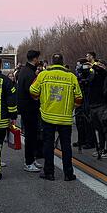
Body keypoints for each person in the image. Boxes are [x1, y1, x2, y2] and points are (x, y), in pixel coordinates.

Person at [29, 53, 83, 182]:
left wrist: (40, 100)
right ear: (63, 62)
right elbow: (79, 97)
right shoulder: (71, 76)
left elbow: (33, 90)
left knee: (48, 144)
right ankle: (68, 174)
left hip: (47, 116)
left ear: (52, 62)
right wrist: (71, 107)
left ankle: (49, 173)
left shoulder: (43, 75)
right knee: (66, 145)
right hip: (65, 117)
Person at [16, 49, 43, 172]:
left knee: (32, 135)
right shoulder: (29, 73)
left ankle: (32, 159)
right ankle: (29, 162)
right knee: (31, 136)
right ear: (35, 59)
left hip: (27, 108)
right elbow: (33, 92)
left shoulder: (24, 71)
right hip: (30, 109)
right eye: (38, 58)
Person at [85, 53, 107, 158]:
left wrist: (94, 65)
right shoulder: (93, 75)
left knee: (105, 128)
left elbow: (102, 72)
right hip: (93, 104)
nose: (99, 66)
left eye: (101, 65)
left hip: (102, 104)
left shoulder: (106, 74)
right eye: (98, 64)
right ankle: (100, 148)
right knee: (99, 129)